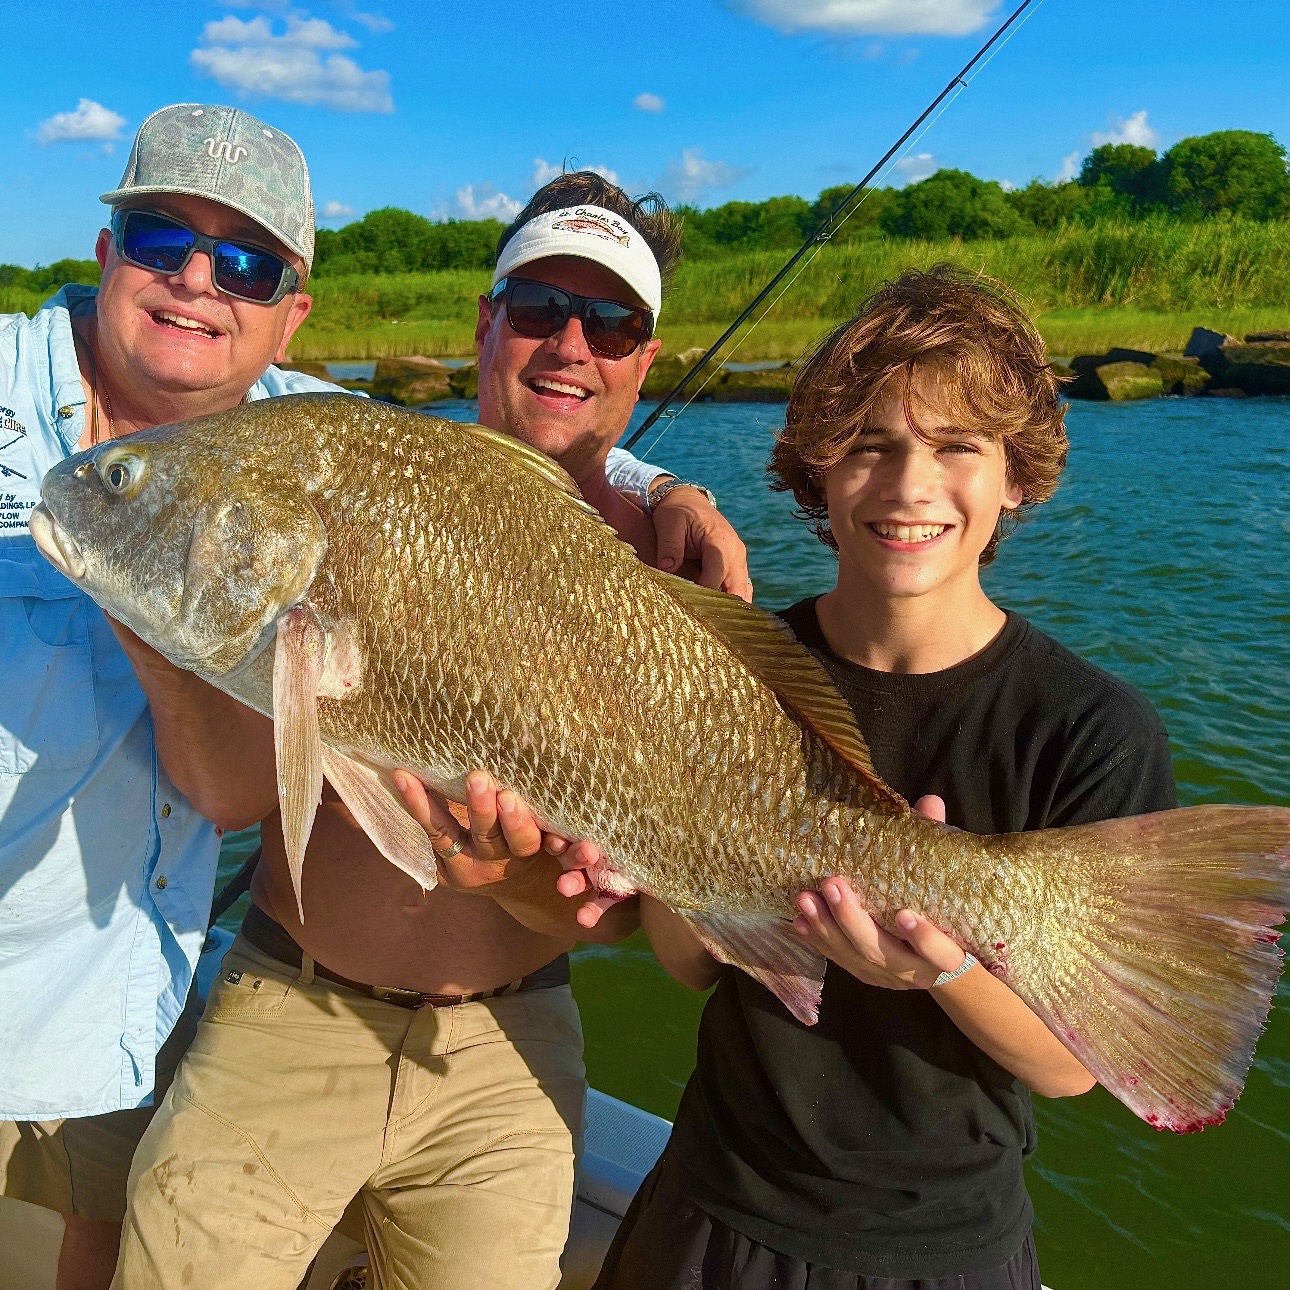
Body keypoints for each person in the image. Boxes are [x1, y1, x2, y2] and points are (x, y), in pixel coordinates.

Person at [0, 101, 743, 1290]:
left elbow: (629, 917)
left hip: (513, 1031)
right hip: (287, 998)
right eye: (542, 309)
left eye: (611, 323)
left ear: (647, 356)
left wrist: (676, 495)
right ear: (488, 323)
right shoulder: (358, 453)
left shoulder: (672, 571)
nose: (571, 346)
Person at [579, 266, 1179, 1290]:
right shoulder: (723, 669)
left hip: (943, 1247)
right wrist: (659, 857)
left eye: (958, 448)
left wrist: (941, 971)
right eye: (868, 445)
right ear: (818, 473)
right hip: (713, 1204)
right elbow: (692, 965)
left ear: (1016, 476)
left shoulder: (1092, 732)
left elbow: (1072, 1067)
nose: (909, 487)